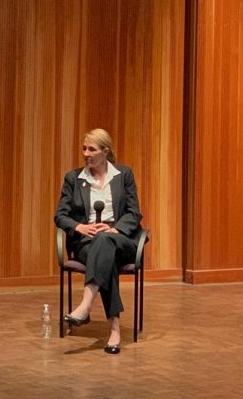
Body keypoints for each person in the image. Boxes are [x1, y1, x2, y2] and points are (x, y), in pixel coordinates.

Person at [54, 128, 143, 355]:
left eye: (91, 149)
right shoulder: (74, 178)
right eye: (84, 148)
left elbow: (134, 213)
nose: (86, 153)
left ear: (105, 151)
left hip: (121, 239)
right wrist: (79, 227)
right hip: (86, 243)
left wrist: (115, 229)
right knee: (105, 258)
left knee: (105, 241)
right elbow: (60, 215)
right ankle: (114, 330)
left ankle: (84, 306)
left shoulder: (123, 175)